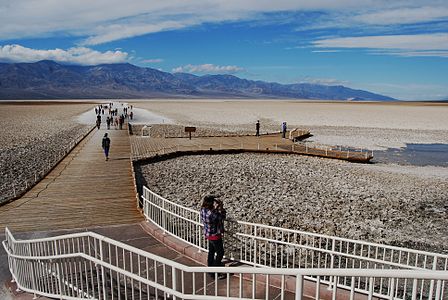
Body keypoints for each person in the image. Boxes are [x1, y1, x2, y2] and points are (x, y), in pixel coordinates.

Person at [200, 195, 227, 279]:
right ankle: (215, 272)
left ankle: (210, 267)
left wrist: (216, 208)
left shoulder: (203, 210)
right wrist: (221, 207)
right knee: (220, 253)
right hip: (215, 235)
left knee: (211, 252)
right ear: (211, 203)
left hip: (208, 234)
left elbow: (212, 214)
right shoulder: (212, 214)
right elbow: (222, 216)